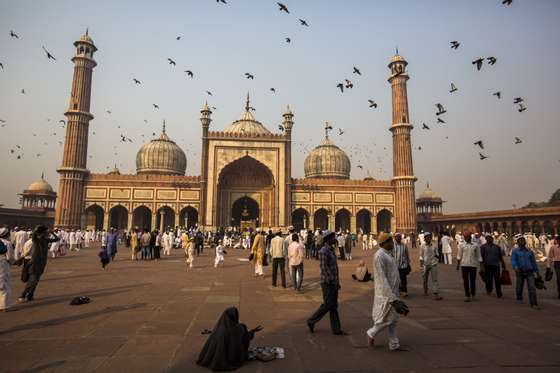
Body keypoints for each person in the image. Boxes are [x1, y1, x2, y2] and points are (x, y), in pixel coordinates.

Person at [366, 232, 408, 351]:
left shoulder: (388, 254)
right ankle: (371, 333)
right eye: (390, 241)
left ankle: (394, 344)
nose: (393, 243)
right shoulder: (379, 256)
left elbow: (385, 273)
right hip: (386, 293)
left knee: (394, 319)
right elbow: (382, 278)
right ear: (384, 243)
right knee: (386, 319)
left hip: (393, 290)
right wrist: (392, 298)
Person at [196, 306, 262, 371]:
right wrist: (252, 332)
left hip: (218, 356)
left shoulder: (219, 329)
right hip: (233, 358)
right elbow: (245, 339)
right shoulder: (239, 329)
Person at [307, 230, 347, 335]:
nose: (335, 239)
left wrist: (337, 281)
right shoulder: (323, 251)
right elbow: (324, 268)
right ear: (328, 239)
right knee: (327, 305)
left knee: (333, 306)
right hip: (328, 283)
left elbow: (334, 268)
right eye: (333, 237)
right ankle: (311, 320)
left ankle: (336, 329)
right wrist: (333, 281)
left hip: (333, 282)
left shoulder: (331, 250)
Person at [18, 226, 59, 302]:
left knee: (36, 281)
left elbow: (57, 239)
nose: (47, 233)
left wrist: (52, 232)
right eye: (46, 232)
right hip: (34, 263)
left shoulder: (46, 240)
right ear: (43, 233)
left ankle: (30, 295)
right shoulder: (36, 240)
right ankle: (23, 295)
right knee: (32, 280)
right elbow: (34, 235)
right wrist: (37, 229)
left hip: (41, 263)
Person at [512, 236, 541, 309]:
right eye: (520, 241)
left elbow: (533, 262)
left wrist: (537, 272)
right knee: (519, 286)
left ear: (525, 242)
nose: (522, 243)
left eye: (523, 241)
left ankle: (534, 303)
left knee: (532, 288)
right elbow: (513, 260)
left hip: (529, 271)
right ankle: (519, 296)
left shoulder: (529, 251)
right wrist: (515, 267)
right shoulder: (515, 251)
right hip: (520, 271)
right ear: (518, 243)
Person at [456, 231, 483, 302]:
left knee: (472, 281)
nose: (465, 238)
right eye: (465, 237)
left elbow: (479, 256)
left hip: (473, 265)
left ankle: (473, 295)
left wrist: (481, 266)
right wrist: (458, 265)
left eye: (467, 236)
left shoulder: (475, 245)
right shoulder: (461, 245)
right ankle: (467, 295)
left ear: (470, 237)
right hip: (464, 265)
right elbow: (459, 255)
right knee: (465, 281)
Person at [419, 232, 443, 300]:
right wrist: (421, 265)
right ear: (424, 238)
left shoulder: (434, 245)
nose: (428, 238)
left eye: (429, 237)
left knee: (435, 279)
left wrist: (437, 257)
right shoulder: (422, 246)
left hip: (433, 264)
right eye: (427, 237)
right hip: (425, 264)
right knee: (425, 279)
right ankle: (425, 289)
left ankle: (436, 293)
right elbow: (421, 256)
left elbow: (437, 254)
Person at [0, 227, 15, 312]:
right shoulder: (7, 243)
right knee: (5, 284)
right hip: (3, 264)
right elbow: (10, 257)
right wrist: (13, 262)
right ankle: (5, 306)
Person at [393, 233, 411, 297]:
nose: (398, 238)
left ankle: (404, 291)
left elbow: (407, 254)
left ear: (401, 238)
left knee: (403, 279)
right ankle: (398, 290)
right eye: (397, 237)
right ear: (394, 238)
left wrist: (408, 263)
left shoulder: (404, 245)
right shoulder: (392, 246)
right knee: (396, 279)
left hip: (403, 265)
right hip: (395, 265)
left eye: (399, 237)